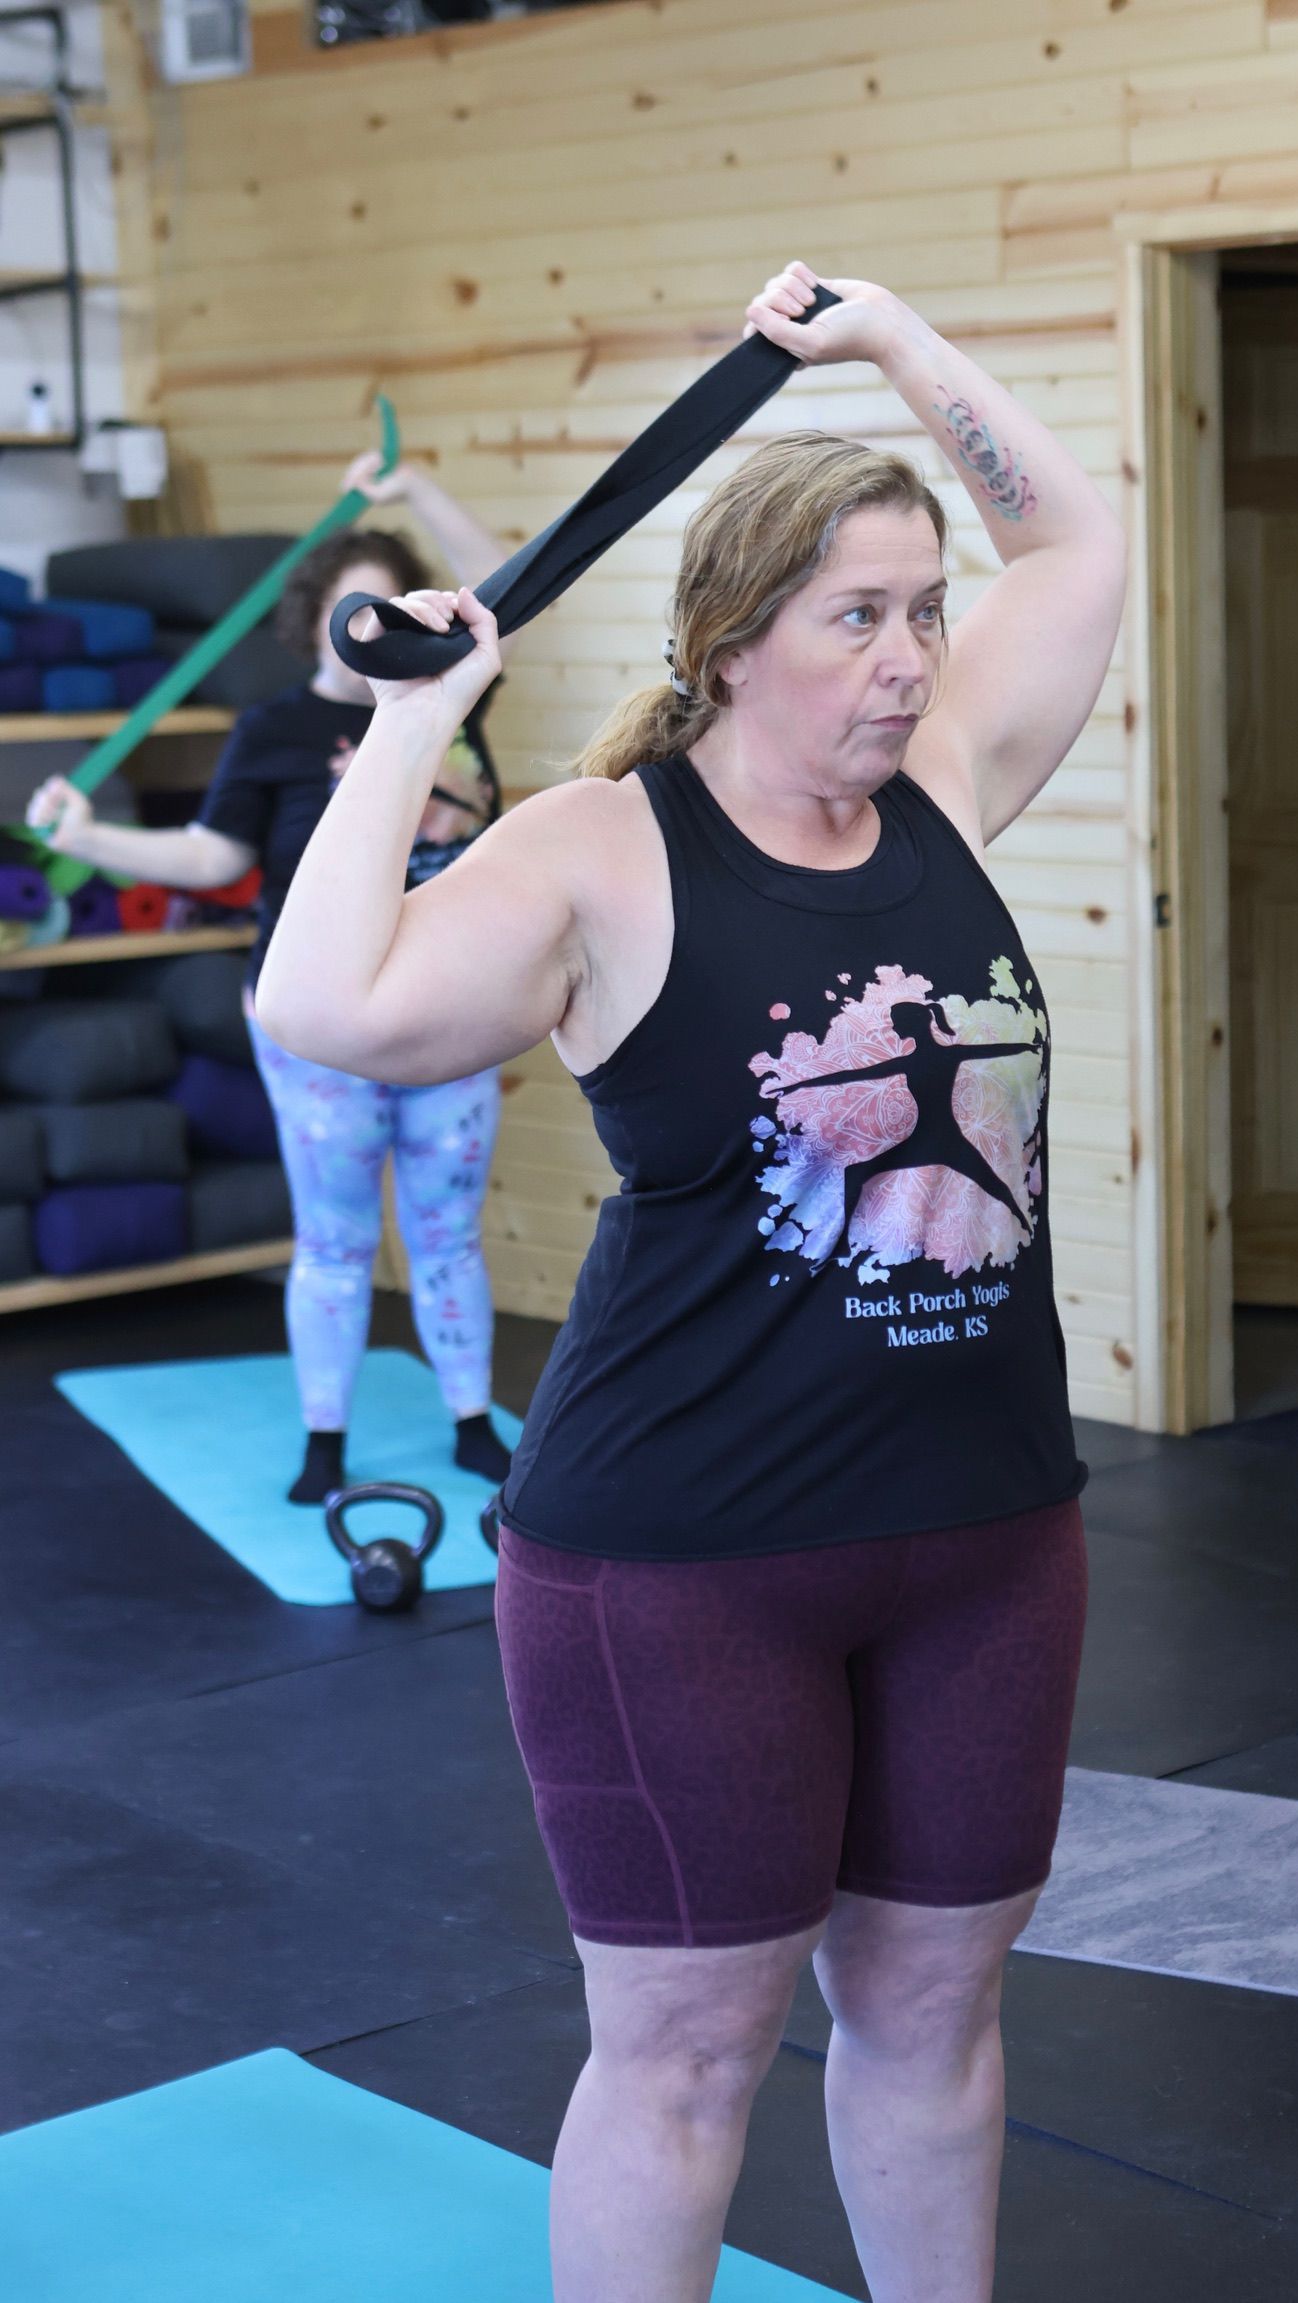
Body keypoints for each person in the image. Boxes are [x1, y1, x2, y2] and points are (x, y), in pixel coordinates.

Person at [255, 261, 1125, 2302]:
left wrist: (897, 342)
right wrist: (410, 722)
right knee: (688, 2051)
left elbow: (1073, 536)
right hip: (683, 1567)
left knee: (937, 2008)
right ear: (735, 642)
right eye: (859, 617)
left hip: (990, 1539)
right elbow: (328, 1000)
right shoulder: (600, 849)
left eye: (923, 611)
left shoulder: (952, 793)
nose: (913, 656)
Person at [27, 455, 517, 1504]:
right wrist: (92, 833)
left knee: (447, 1233)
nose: (373, 630)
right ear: (314, 626)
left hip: (447, 1006)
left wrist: (419, 485)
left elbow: (509, 579)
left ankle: (474, 1420)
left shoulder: (448, 705)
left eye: (390, 609)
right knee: (334, 1238)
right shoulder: (274, 729)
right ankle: (325, 1440)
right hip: (318, 1027)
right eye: (352, 614)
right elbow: (213, 858)